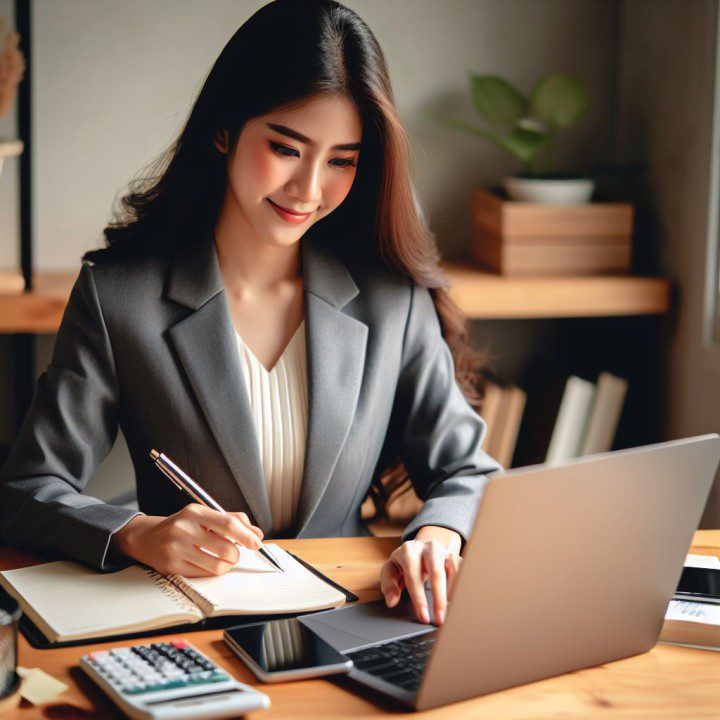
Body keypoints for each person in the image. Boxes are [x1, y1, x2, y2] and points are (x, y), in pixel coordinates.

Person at [0, 0, 501, 628]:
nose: (309, 189)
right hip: (192, 627)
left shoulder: (391, 297)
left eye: (341, 159)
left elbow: (470, 471)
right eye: (287, 148)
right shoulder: (118, 299)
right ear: (224, 129)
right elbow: (28, 492)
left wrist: (438, 538)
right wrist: (137, 532)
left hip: (361, 616)